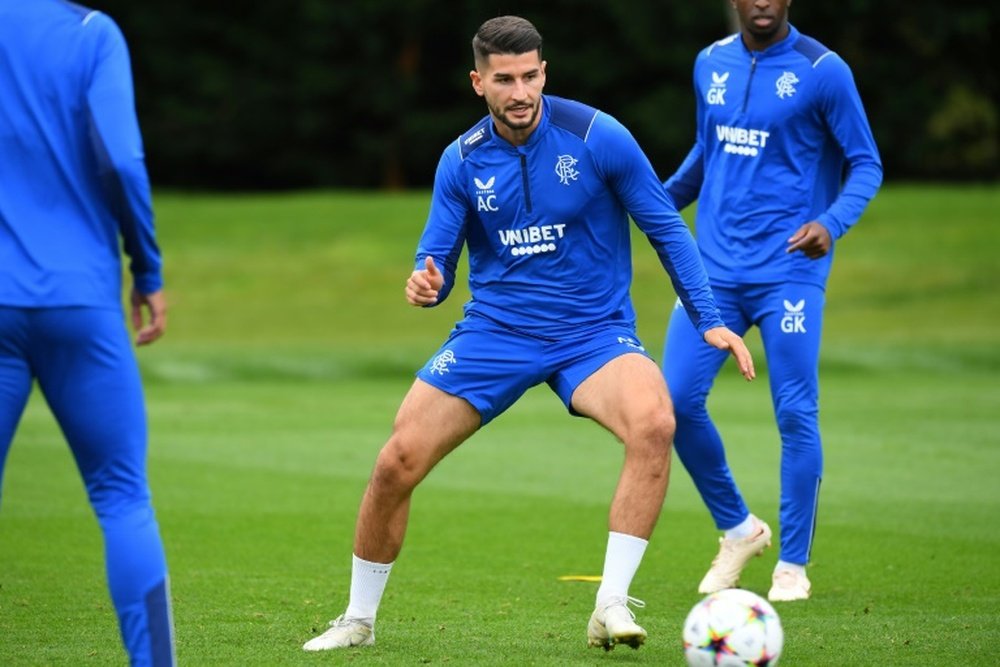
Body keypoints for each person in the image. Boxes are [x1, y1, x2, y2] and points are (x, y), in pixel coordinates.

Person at [303, 15, 755, 653]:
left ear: (545, 72)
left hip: (593, 334)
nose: (520, 92)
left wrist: (709, 318)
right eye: (504, 79)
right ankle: (357, 619)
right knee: (394, 463)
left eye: (530, 76)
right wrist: (425, 283)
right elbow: (437, 257)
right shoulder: (460, 161)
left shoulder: (599, 137)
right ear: (478, 83)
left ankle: (611, 604)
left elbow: (667, 228)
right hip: (497, 331)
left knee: (655, 421)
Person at [660, 0, 883, 602]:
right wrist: (650, 200)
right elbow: (709, 155)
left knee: (794, 412)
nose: (762, 2)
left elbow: (866, 164)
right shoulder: (709, 63)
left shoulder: (823, 70)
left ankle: (792, 564)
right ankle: (739, 529)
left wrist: (831, 223)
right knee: (672, 401)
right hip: (713, 271)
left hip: (790, 270)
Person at [0, 2, 176, 664]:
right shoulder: (90, 33)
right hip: (79, 299)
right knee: (122, 494)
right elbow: (122, 159)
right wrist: (147, 268)